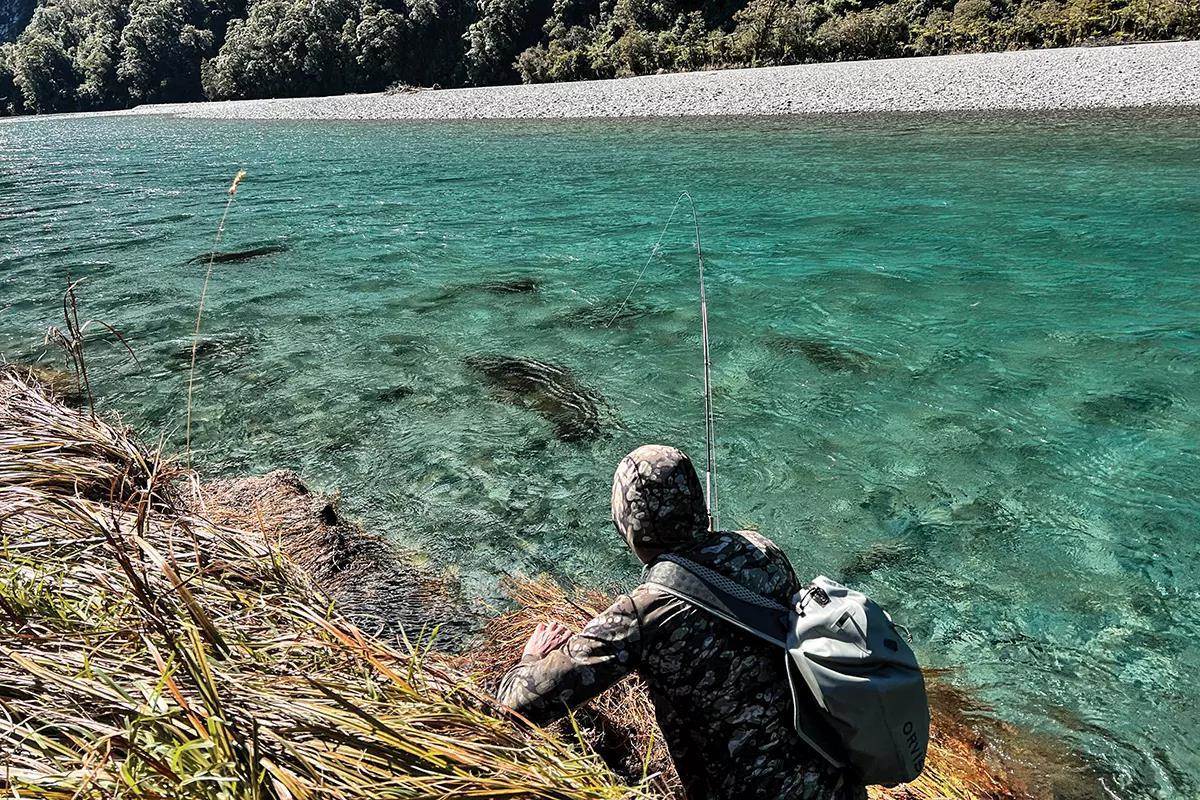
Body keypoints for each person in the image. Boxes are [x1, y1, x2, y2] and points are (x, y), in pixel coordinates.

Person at [497, 444, 866, 800]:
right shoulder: (763, 552)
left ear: (627, 526)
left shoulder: (644, 613)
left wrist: (530, 660)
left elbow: (515, 707)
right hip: (836, 777)